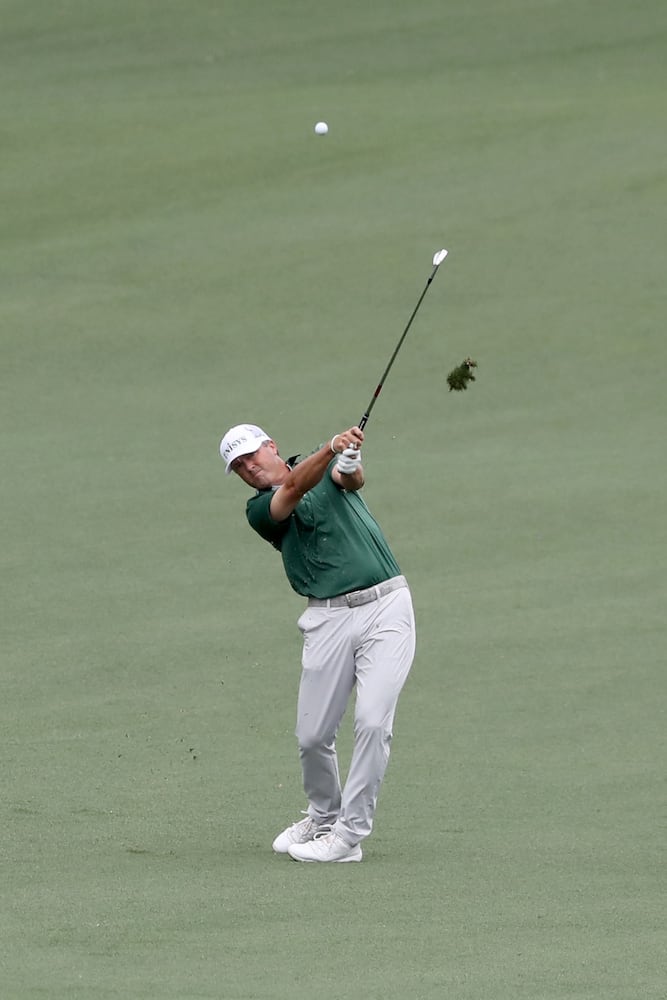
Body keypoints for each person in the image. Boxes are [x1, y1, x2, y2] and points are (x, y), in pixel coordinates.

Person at [219, 421, 416, 862]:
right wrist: (332, 448)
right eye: (239, 466)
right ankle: (324, 816)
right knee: (312, 736)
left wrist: (348, 461)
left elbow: (350, 480)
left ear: (271, 446)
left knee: (371, 722)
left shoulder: (322, 466)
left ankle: (348, 836)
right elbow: (291, 489)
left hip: (385, 607)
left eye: (252, 455)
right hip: (326, 619)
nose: (249, 467)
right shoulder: (259, 510)